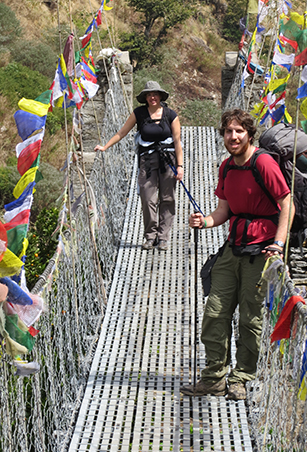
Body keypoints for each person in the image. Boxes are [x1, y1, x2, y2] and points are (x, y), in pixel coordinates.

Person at [181, 108, 294, 400]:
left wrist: (278, 245)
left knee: (249, 319)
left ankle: (241, 378)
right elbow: (224, 210)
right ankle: (214, 377)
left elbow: (287, 203)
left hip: (262, 251)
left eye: (239, 131)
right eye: (229, 131)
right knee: (215, 312)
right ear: (223, 135)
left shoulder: (264, 163)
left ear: (249, 134)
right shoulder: (226, 167)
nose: (233, 136)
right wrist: (204, 221)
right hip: (233, 248)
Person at [94, 81, 183, 250]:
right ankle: (150, 236)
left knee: (167, 198)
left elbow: (177, 141)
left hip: (168, 160)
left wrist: (180, 166)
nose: (152, 97)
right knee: (147, 197)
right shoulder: (139, 113)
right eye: (149, 94)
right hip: (147, 161)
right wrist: (105, 146)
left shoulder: (170, 114)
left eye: (155, 94)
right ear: (145, 97)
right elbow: (122, 132)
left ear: (160, 96)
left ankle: (163, 237)